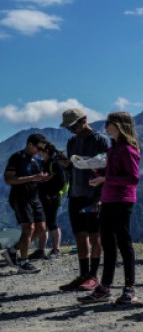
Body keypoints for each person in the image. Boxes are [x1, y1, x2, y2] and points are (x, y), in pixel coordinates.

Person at [78, 112, 141, 305]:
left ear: (120, 125)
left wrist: (105, 179)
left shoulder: (128, 150)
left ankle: (129, 287)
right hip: (108, 199)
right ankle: (105, 287)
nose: (105, 127)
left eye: (109, 123)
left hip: (122, 200)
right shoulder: (113, 149)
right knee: (108, 243)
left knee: (123, 242)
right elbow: (113, 173)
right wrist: (94, 170)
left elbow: (133, 179)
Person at [59, 108, 110, 291]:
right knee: (80, 235)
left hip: (93, 194)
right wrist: (66, 166)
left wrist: (99, 196)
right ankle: (83, 274)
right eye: (68, 128)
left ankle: (93, 276)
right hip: (76, 193)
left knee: (95, 235)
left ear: (83, 120)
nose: (71, 131)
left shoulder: (100, 140)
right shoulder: (72, 142)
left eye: (73, 126)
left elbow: (106, 168)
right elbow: (72, 169)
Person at [2, 133, 50, 273]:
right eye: (39, 148)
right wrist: (33, 177)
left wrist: (42, 179)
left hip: (34, 197)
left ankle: (12, 250)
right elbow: (9, 179)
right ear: (30, 144)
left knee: (40, 228)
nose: (40, 151)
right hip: (20, 197)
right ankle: (24, 262)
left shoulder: (36, 159)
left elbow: (34, 178)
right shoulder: (17, 157)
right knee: (28, 228)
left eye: (42, 149)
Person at [31, 142, 68, 259]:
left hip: (53, 197)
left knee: (52, 222)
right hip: (43, 197)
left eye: (40, 151)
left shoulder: (55, 163)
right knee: (43, 223)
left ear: (46, 151)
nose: (39, 153)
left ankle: (56, 250)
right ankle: (41, 250)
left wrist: (52, 195)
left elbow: (62, 182)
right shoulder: (44, 163)